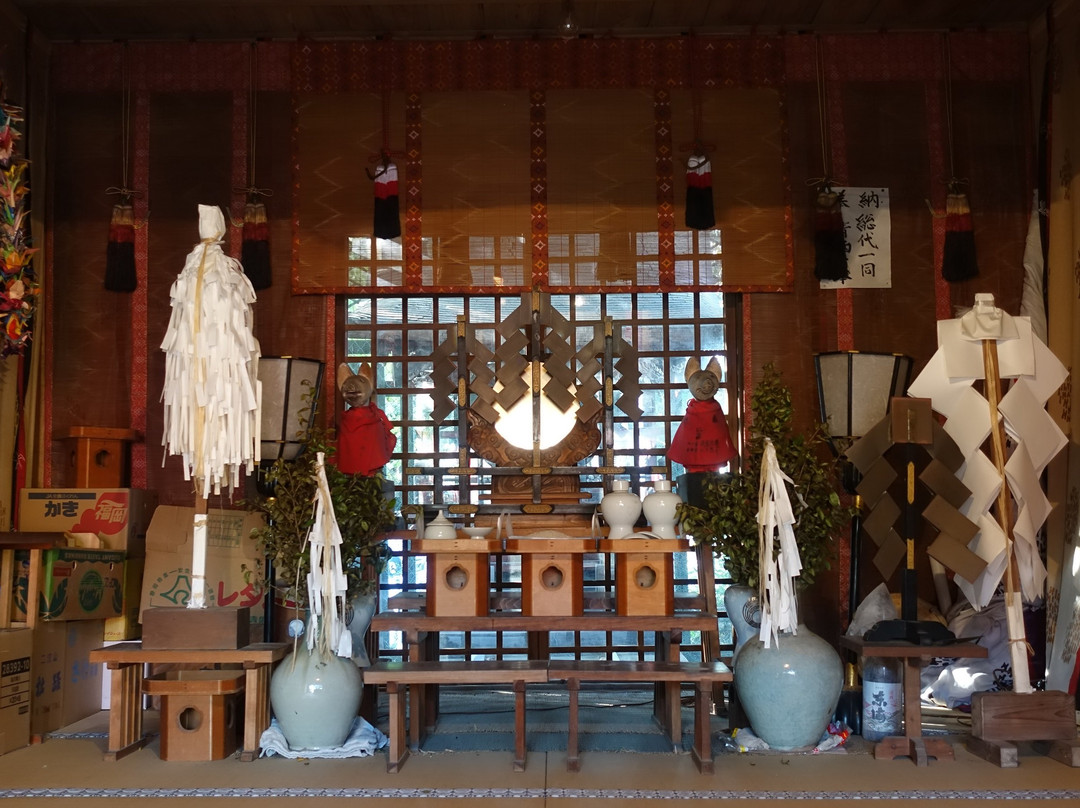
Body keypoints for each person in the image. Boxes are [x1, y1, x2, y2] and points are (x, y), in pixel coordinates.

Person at [668, 357, 736, 472]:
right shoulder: (712, 408)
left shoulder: (707, 408)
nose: (707, 385)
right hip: (708, 456)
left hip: (707, 458)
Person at [336, 362, 396, 476]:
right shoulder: (375, 415)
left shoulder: (348, 418)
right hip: (371, 472)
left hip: (351, 475)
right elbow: (389, 439)